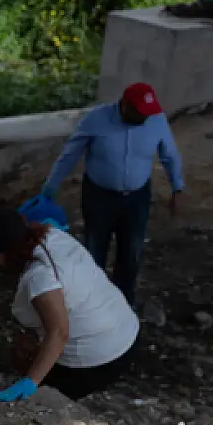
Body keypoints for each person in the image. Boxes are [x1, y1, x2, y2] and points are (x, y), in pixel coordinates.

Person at [38, 82, 183, 307]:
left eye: (148, 112)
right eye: (139, 112)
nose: (145, 117)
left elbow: (170, 155)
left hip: (136, 198)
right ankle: (91, 302)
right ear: (124, 105)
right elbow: (70, 154)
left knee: (131, 252)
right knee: (95, 250)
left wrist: (178, 187)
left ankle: (123, 304)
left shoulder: (156, 121)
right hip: (99, 197)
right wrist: (50, 188)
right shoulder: (96, 120)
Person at [0, 208, 140, 403]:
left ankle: (55, 391)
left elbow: (59, 332)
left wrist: (31, 381)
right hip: (127, 332)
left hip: (99, 359)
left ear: (2, 254)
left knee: (24, 356)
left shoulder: (40, 277)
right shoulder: (53, 236)